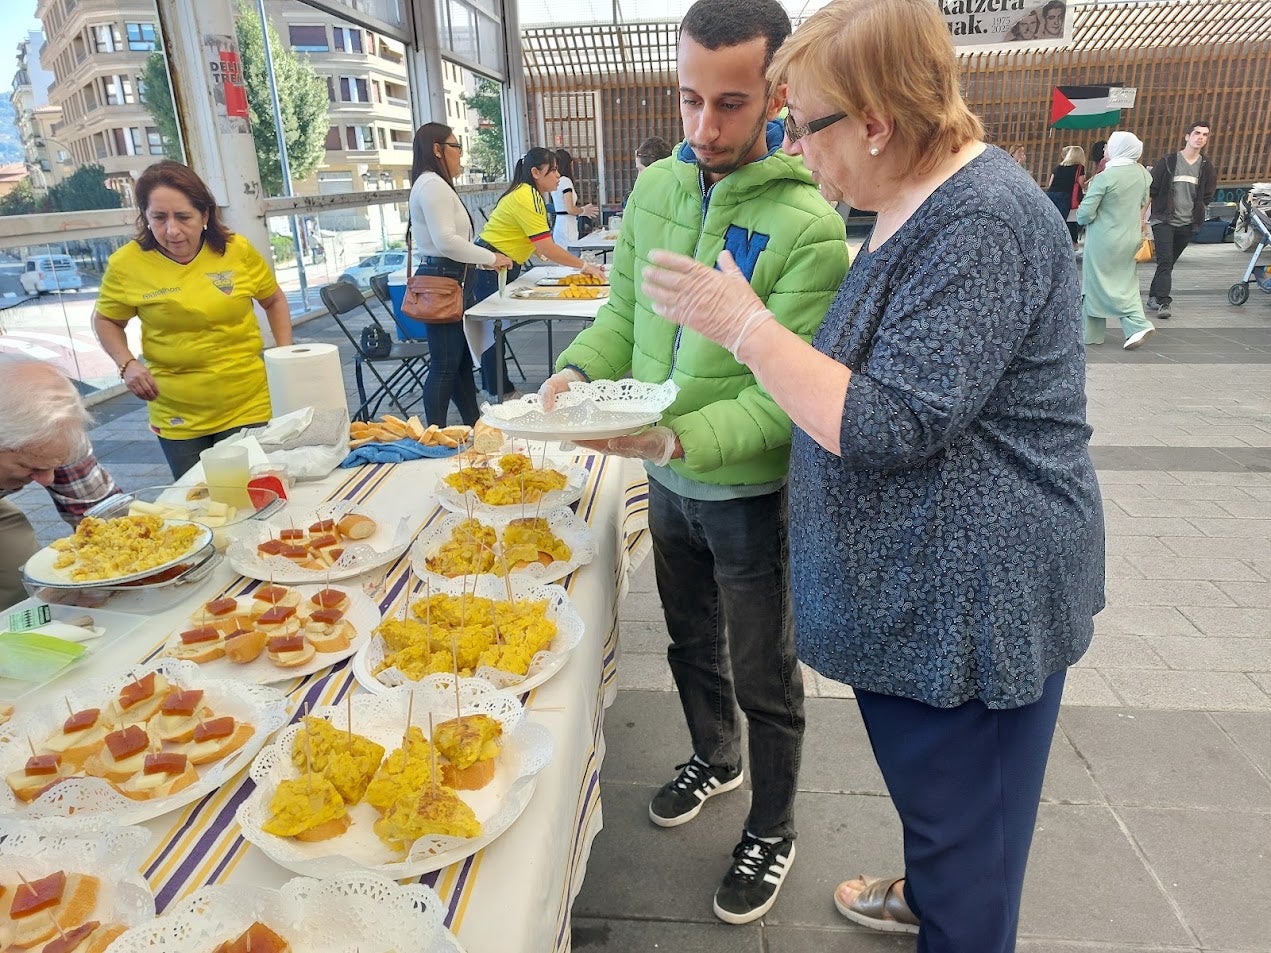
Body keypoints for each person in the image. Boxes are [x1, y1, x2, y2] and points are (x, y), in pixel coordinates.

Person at [639, 1, 1104, 950]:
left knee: (971, 833)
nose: (795, 149)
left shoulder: (979, 224)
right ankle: (933, 888)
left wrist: (743, 326)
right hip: (929, 597)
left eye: (801, 124)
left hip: (973, 606)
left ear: (875, 124)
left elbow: (890, 422)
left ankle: (954, 911)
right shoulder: (918, 199)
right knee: (947, 814)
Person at [540, 0, 849, 926]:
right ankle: (715, 755)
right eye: (687, 101)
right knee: (685, 640)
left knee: (765, 668)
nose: (703, 128)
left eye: (729, 104)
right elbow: (624, 322)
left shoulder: (808, 230)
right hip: (664, 482)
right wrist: (573, 371)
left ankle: (775, 820)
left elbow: (779, 400)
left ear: (776, 98)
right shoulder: (654, 192)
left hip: (747, 491)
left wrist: (677, 438)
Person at [91, 161, 293, 480]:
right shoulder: (126, 264)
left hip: (247, 400)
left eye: (183, 217)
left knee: (253, 494)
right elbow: (106, 321)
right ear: (145, 216)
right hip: (176, 411)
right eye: (159, 217)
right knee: (198, 500)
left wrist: (285, 355)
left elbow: (274, 300)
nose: (172, 230)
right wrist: (127, 364)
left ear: (205, 215)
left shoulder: (235, 251)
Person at [468, 148, 606, 398]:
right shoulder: (526, 196)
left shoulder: (532, 195)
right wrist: (583, 266)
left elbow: (533, 243)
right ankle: (499, 391)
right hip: (489, 266)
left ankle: (496, 387)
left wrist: (552, 258)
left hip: (504, 264)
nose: (557, 175)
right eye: (552, 170)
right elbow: (545, 246)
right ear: (535, 172)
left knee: (494, 331)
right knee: (492, 332)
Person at [407, 122, 514, 426]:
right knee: (444, 364)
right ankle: (436, 434)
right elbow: (447, 241)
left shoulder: (434, 184)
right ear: (437, 149)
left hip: (452, 276)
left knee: (459, 361)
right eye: (456, 148)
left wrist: (481, 261)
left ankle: (472, 425)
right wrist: (490, 257)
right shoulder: (432, 185)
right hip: (443, 279)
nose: (460, 156)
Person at [0, 355, 120, 608]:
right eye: (29, 466)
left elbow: (102, 516)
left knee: (21, 573)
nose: (47, 479)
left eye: (53, 464)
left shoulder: (59, 432)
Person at [1077, 131, 1155, 350]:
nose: (1105, 150)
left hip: (1103, 240)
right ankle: (1090, 333)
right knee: (1125, 282)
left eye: (1109, 146)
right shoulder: (1142, 174)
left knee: (1096, 283)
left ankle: (1136, 324)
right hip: (1130, 237)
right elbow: (1142, 201)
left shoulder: (1105, 178)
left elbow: (1084, 214)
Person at [1146, 121, 1216, 320]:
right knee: (1165, 261)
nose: (1200, 137)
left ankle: (1153, 295)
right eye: (1196, 133)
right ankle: (1163, 302)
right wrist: (1141, 219)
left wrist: (1198, 212)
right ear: (1187, 136)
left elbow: (1207, 194)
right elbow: (1152, 191)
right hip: (1164, 220)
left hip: (1188, 223)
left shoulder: (1205, 166)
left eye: (1205, 134)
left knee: (1168, 263)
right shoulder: (1168, 161)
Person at [549, 149, 599, 247]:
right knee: (570, 257)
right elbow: (570, 209)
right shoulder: (565, 181)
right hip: (567, 226)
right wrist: (584, 210)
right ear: (569, 164)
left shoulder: (556, 181)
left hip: (561, 223)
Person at [1045, 144, 1086, 247]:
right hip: (1065, 196)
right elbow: (1081, 183)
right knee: (1065, 220)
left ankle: (1051, 242)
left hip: (1050, 194)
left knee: (1053, 220)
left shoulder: (1059, 166)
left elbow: (1050, 183)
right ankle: (1066, 243)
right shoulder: (1079, 168)